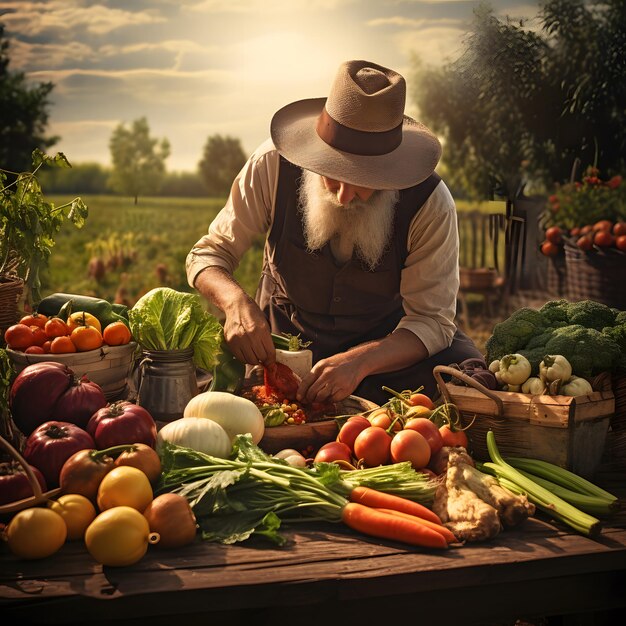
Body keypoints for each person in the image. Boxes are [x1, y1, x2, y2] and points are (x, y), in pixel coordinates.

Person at [186, 59, 483, 406]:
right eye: (333, 174)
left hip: (384, 348)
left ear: (392, 171)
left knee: (465, 377)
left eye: (364, 182)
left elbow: (432, 321)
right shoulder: (272, 164)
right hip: (286, 342)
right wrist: (235, 303)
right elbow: (208, 255)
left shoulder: (430, 202)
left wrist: (360, 361)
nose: (344, 197)